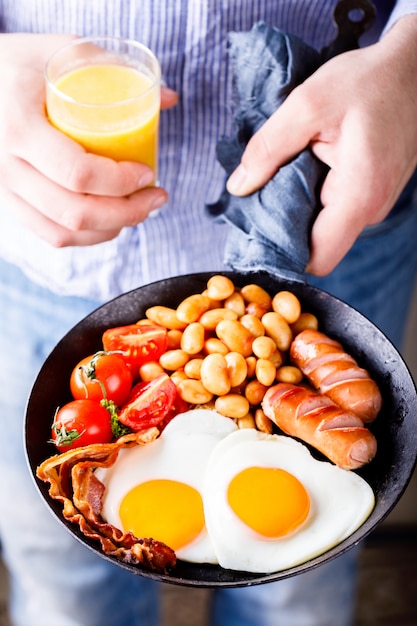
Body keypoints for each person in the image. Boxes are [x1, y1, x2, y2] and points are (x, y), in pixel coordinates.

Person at [0, 2, 416, 625]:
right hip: (45, 227)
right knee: (64, 579)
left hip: (343, 209)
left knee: (296, 598)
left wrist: (409, 64)